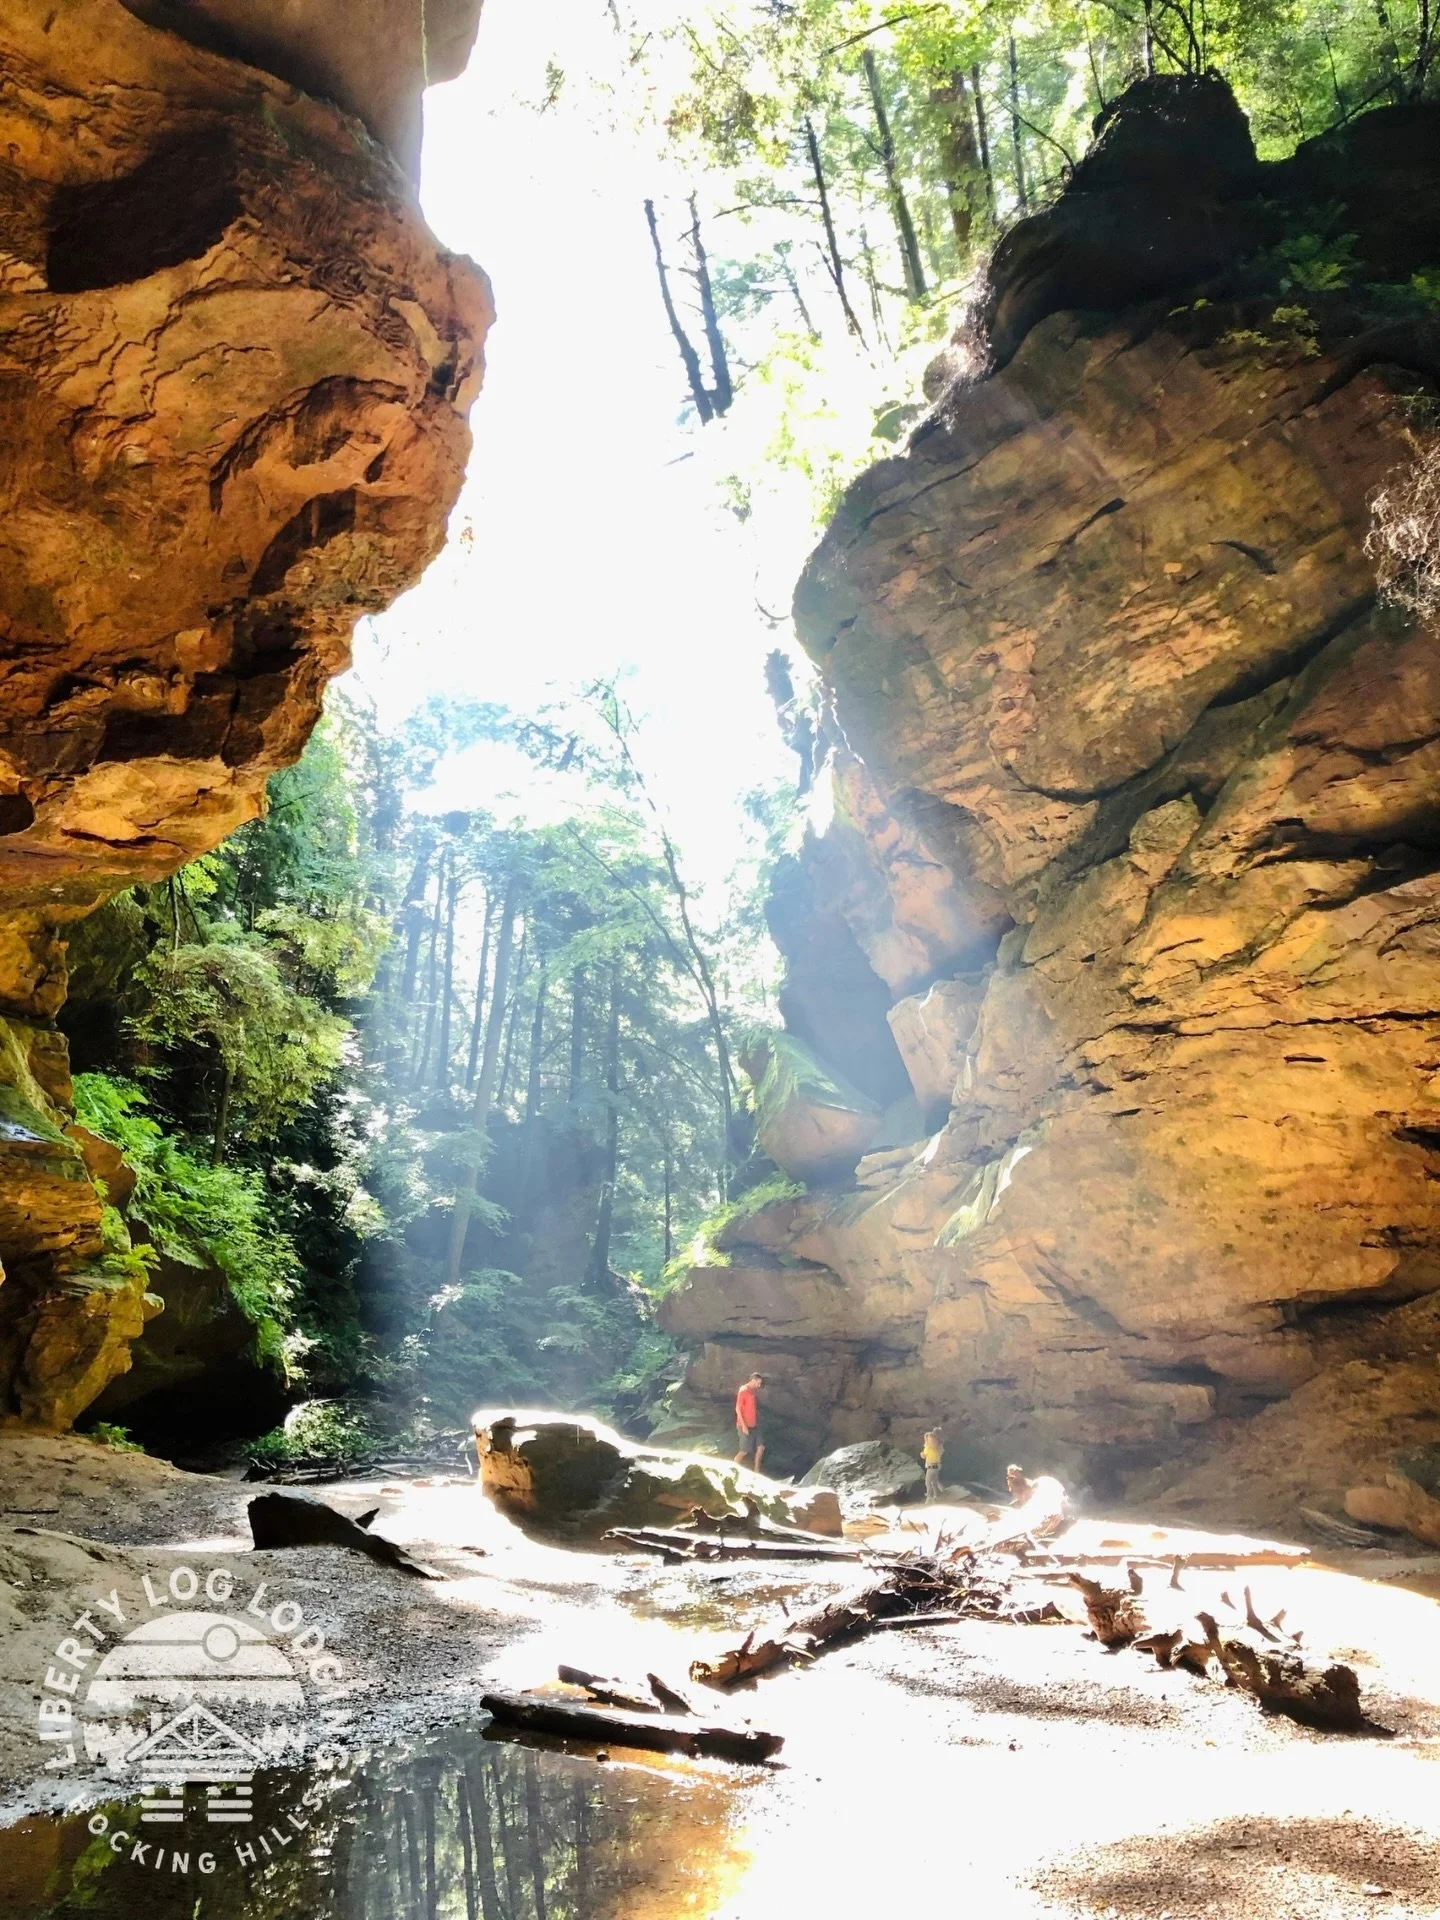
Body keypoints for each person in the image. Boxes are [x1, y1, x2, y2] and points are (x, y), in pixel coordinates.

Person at [734, 1372, 766, 1472]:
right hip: (744, 1425)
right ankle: (733, 1467)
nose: (759, 1386)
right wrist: (744, 1426)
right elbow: (738, 1409)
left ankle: (756, 1471)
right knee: (744, 1451)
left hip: (754, 1425)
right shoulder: (743, 1390)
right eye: (758, 1383)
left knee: (761, 1447)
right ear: (753, 1380)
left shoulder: (753, 1391)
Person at [921, 1426, 944, 1501]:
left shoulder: (929, 1447)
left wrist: (922, 1453)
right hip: (937, 1466)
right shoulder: (940, 1445)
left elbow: (924, 1455)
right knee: (934, 1481)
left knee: (927, 1482)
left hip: (931, 1465)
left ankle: (929, 1495)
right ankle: (936, 1495)